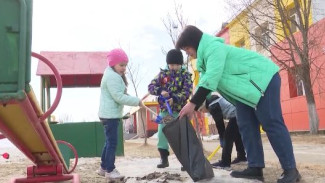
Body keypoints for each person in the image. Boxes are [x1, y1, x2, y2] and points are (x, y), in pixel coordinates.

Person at [176, 25, 301, 183]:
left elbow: (212, 78)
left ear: (195, 43)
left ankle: (291, 170)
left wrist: (193, 104)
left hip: (261, 79)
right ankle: (255, 167)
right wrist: (195, 105)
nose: (187, 53)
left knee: (271, 122)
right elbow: (204, 84)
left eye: (187, 49)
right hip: (244, 92)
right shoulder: (204, 60)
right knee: (246, 125)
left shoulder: (213, 48)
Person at [97, 48, 145, 181]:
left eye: (125, 65)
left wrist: (133, 99)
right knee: (112, 143)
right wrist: (137, 101)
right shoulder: (112, 77)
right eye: (121, 65)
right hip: (110, 115)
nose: (124, 68)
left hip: (108, 114)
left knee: (108, 142)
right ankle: (110, 170)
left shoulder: (112, 74)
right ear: (113, 64)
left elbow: (120, 94)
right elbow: (118, 97)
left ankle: (103, 168)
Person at [148, 49, 193, 169]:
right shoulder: (163, 74)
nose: (172, 67)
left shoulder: (185, 75)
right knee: (163, 132)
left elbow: (187, 91)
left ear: (180, 64)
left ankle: (186, 161)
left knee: (182, 136)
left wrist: (174, 98)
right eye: (171, 65)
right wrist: (160, 91)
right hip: (166, 112)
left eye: (175, 65)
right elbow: (151, 87)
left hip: (180, 111)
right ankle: (164, 159)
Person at [201, 94, 246, 170]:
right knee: (236, 135)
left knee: (227, 137)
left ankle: (225, 163)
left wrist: (222, 139)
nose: (202, 112)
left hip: (237, 114)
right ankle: (241, 157)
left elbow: (220, 125)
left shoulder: (213, 106)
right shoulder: (215, 102)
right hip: (240, 113)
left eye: (201, 110)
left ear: (204, 105)